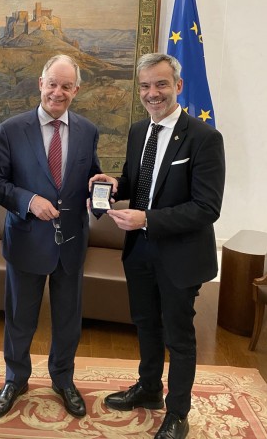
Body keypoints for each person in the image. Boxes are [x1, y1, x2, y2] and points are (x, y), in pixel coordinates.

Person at [90, 53, 225, 439]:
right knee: (145, 324)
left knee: (178, 337)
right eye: (146, 86)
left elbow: (207, 207)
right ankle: (149, 388)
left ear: (178, 86)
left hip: (181, 256)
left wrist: (147, 218)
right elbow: (137, 182)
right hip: (140, 252)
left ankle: (178, 412)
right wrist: (114, 184)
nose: (153, 93)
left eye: (161, 84)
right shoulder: (138, 132)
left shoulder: (204, 138)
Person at [0, 54, 101, 419]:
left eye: (66, 86)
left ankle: (63, 380)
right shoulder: (11, 129)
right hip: (26, 240)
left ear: (76, 90)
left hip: (71, 242)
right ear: (41, 84)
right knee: (20, 318)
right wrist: (29, 201)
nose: (58, 92)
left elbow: (91, 176)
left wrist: (101, 192)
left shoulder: (87, 130)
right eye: (52, 84)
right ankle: (15, 379)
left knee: (68, 320)